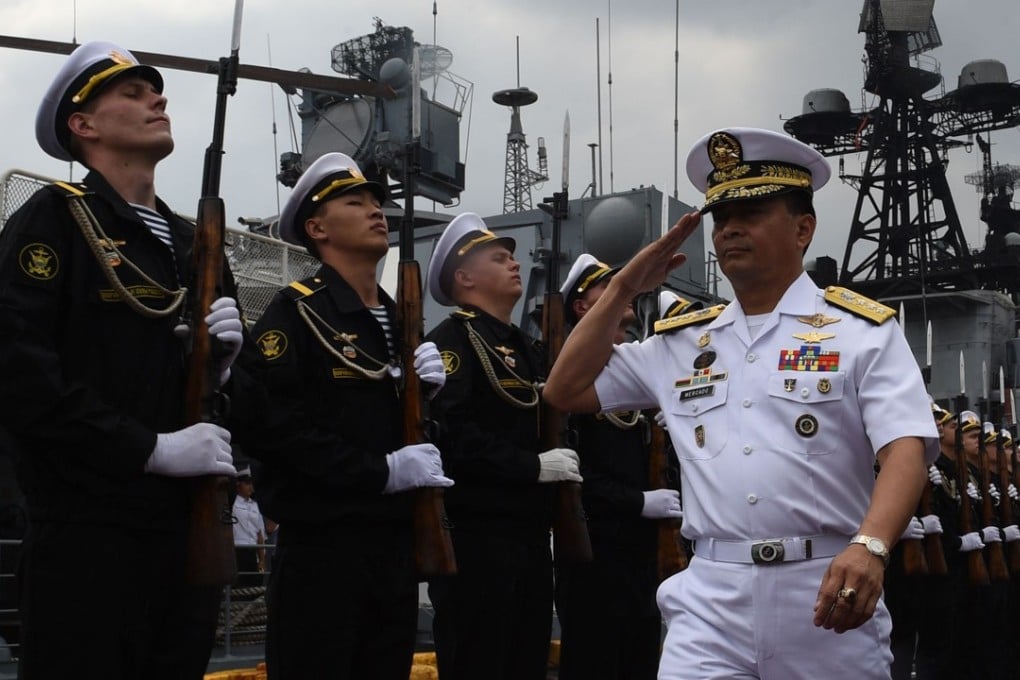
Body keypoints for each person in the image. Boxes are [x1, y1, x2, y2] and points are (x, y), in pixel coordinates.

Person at [544, 127, 939, 679]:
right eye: (720, 217)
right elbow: (565, 390)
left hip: (826, 590)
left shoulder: (861, 331)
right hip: (710, 596)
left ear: (803, 229)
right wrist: (621, 289)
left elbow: (907, 447)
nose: (729, 229)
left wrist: (871, 546)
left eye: (751, 213)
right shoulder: (681, 344)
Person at [0, 41, 246, 679]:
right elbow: (21, 376)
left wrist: (222, 372)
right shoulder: (54, 220)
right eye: (132, 94)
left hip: (185, 531)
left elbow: (242, 406)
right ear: (83, 125)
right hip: (90, 533)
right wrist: (148, 448)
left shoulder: (198, 245)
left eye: (155, 91)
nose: (157, 99)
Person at [237, 152, 452, 680]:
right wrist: (379, 472)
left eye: (377, 202)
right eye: (355, 203)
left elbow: (415, 440)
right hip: (323, 551)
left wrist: (429, 401)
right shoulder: (297, 310)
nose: (375, 211)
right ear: (317, 228)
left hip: (394, 552)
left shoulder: (400, 322)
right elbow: (269, 425)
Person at [424, 212, 581, 680]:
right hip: (476, 537)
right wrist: (529, 467)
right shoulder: (452, 342)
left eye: (512, 256)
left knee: (525, 661)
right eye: (499, 257)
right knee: (480, 660)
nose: (514, 263)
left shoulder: (527, 349)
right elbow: (452, 434)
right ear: (464, 277)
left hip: (530, 537)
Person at [554, 254, 682, 680]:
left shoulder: (641, 369)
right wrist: (635, 502)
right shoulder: (569, 375)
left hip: (642, 551)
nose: (622, 292)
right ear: (582, 308)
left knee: (641, 657)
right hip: (595, 546)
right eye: (606, 288)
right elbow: (568, 468)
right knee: (596, 658)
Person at [231, 468, 266, 588]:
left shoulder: (255, 505)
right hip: (238, 549)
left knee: (253, 585)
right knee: (239, 585)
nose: (251, 487)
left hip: (252, 551)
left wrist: (262, 559)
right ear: (238, 485)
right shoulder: (233, 504)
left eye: (251, 483)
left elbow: (259, 534)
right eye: (247, 484)